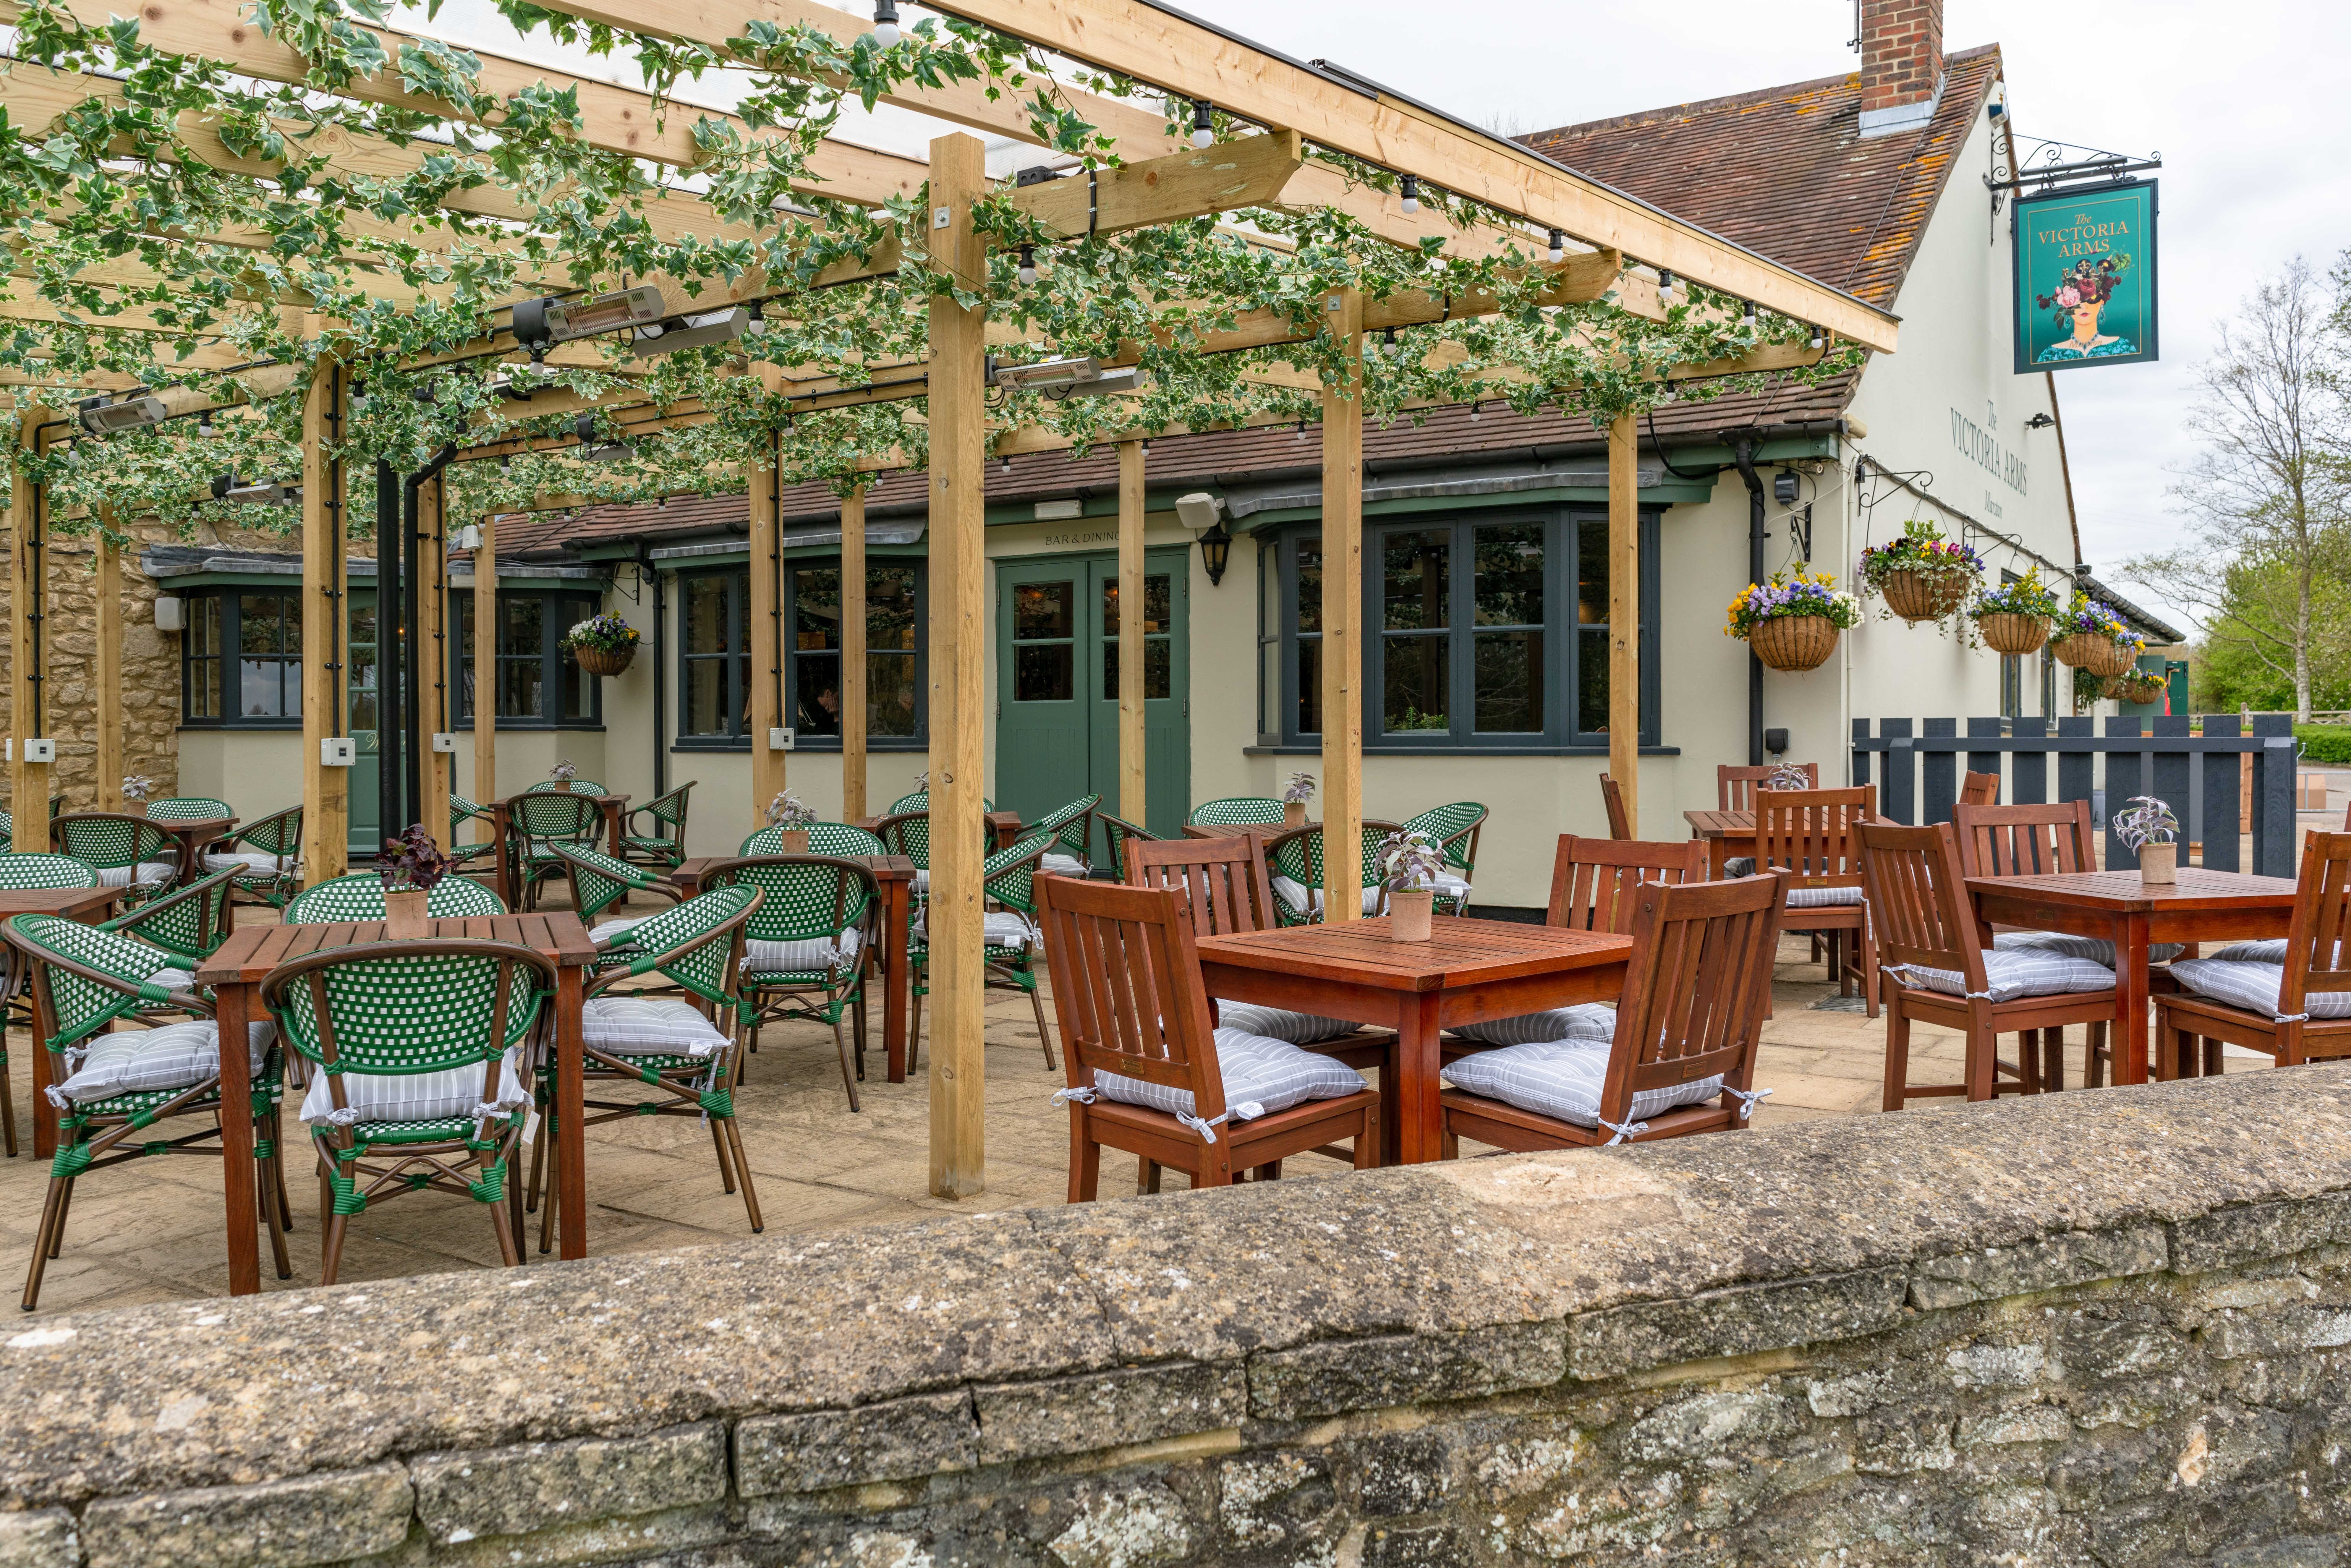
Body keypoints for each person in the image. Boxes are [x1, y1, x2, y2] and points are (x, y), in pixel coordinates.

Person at [2034, 254, 2137, 362]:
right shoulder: (2051, 354)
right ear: (2066, 304)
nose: (2084, 306)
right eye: (2077, 299)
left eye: (2092, 299)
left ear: (2102, 301)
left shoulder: (2122, 347)